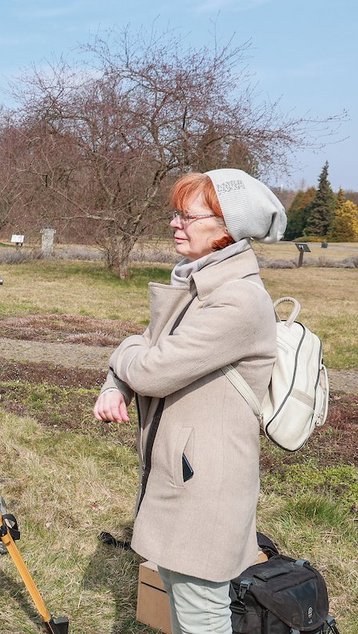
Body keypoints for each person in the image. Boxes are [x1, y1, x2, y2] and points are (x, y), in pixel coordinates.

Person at [93, 168, 286, 634]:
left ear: (226, 229)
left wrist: (122, 358)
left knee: (202, 616)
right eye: (175, 213)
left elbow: (152, 368)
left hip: (207, 487)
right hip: (183, 476)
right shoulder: (200, 286)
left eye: (188, 215)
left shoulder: (237, 301)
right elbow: (147, 347)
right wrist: (114, 384)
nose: (175, 223)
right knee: (184, 598)